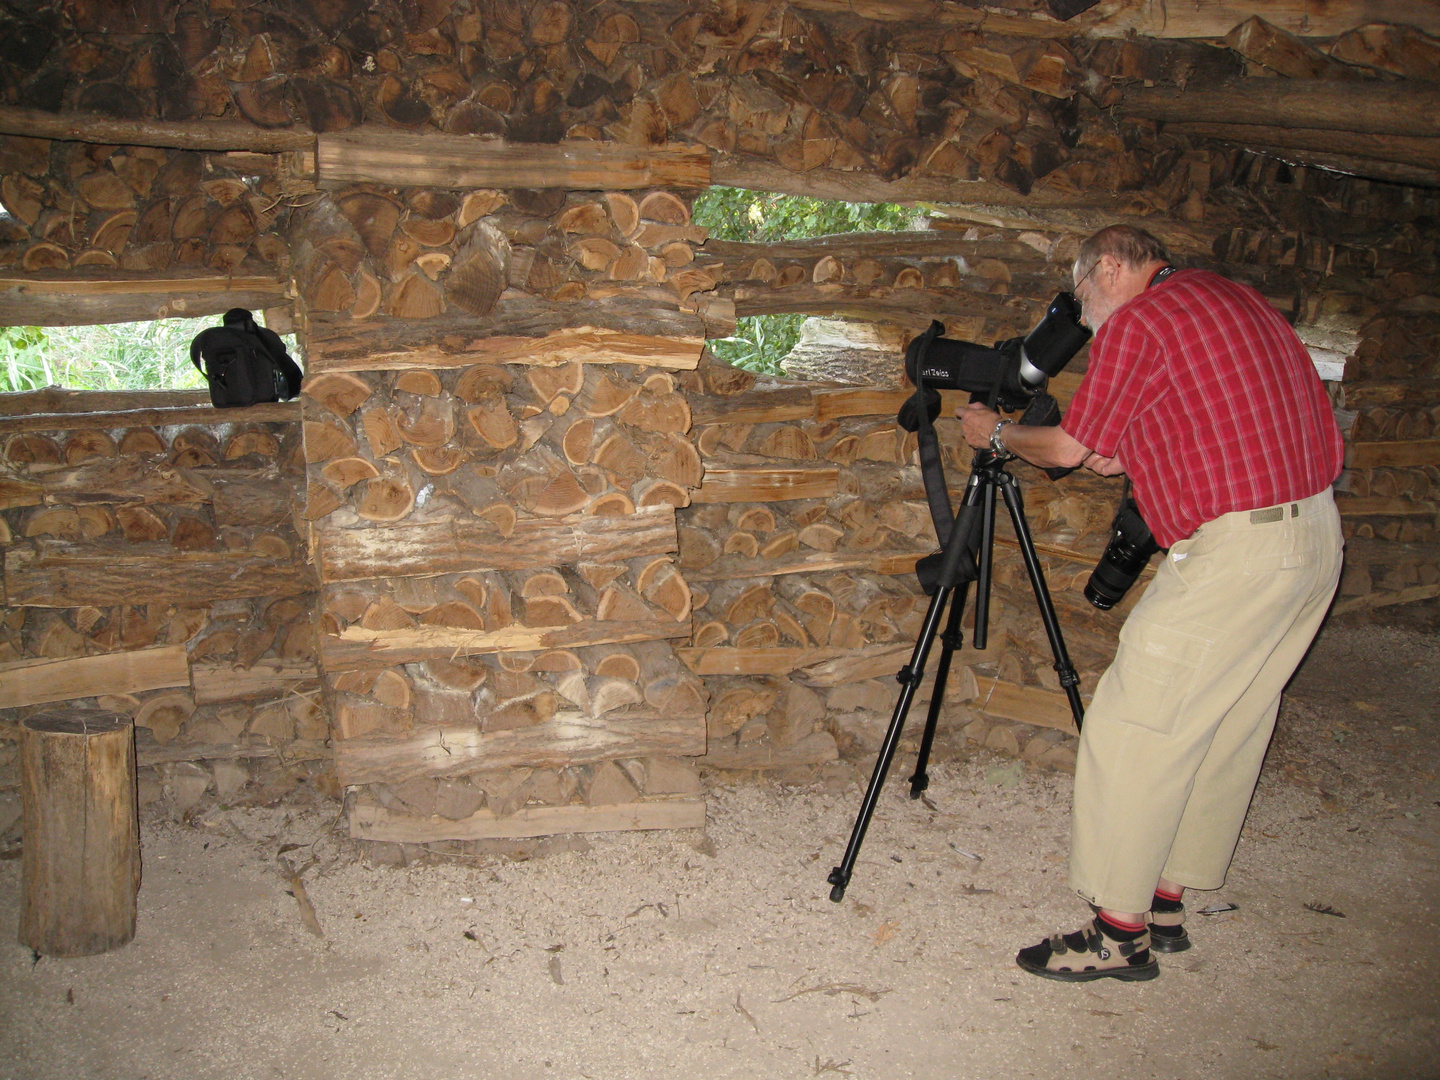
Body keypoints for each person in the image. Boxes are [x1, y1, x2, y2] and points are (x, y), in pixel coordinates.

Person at [958, 224, 1345, 982]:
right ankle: (1167, 898)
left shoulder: (1139, 319)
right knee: (1226, 720)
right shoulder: (1231, 298)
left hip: (1240, 550)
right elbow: (1208, 423)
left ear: (1110, 267)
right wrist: (1121, 450)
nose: (1085, 315)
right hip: (1313, 537)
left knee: (1137, 722)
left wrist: (997, 432)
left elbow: (1069, 451)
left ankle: (1116, 932)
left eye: (1082, 295)